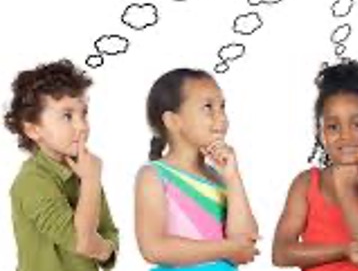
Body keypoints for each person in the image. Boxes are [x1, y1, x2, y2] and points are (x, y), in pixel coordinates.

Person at [273, 59, 358, 270]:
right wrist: (343, 250)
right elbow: (281, 254)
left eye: (357, 124)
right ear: (321, 134)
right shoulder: (306, 183)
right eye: (333, 126)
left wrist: (345, 188)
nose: (345, 136)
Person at [135, 68, 259, 270]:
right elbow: (153, 248)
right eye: (208, 107)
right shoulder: (154, 176)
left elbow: (245, 243)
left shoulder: (220, 178)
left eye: (223, 107)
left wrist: (233, 178)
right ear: (173, 121)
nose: (222, 118)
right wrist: (228, 248)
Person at [4, 59, 119, 271]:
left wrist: (102, 248)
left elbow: (109, 235)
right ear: (33, 130)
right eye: (67, 116)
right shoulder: (32, 181)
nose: (82, 126)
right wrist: (91, 181)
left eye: (83, 114)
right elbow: (84, 243)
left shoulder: (83, 170)